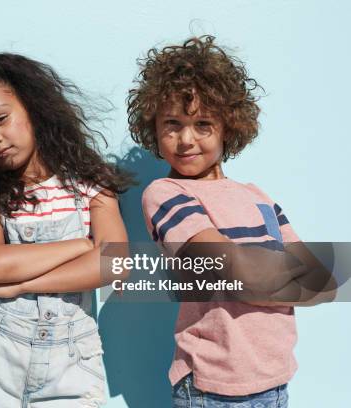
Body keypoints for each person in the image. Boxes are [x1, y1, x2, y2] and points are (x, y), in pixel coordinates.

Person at [0, 53, 132, 407]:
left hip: (71, 364)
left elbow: (115, 264)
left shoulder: (92, 182)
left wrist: (20, 284)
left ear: (33, 106)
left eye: (1, 119)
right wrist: (81, 245)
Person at [128, 36, 333, 407]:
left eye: (203, 123)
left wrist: (252, 276)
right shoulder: (166, 193)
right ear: (153, 129)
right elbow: (226, 266)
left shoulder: (259, 197)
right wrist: (278, 275)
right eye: (172, 124)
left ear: (230, 126)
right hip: (212, 385)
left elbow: (323, 281)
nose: (186, 139)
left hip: (276, 380)